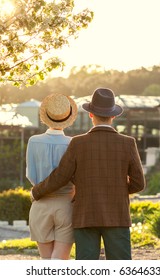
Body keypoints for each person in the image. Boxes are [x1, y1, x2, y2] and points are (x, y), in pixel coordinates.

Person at [31, 88, 146, 260]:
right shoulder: (128, 143)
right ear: (113, 116)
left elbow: (60, 176)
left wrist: (36, 192)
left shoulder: (78, 143)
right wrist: (115, 190)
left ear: (91, 115)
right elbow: (139, 183)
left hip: (85, 215)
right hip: (117, 216)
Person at [26, 93, 78, 260]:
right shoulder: (73, 143)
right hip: (67, 205)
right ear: (68, 117)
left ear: (46, 116)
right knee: (60, 261)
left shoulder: (33, 141)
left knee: (47, 262)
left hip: (40, 204)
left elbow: (31, 176)